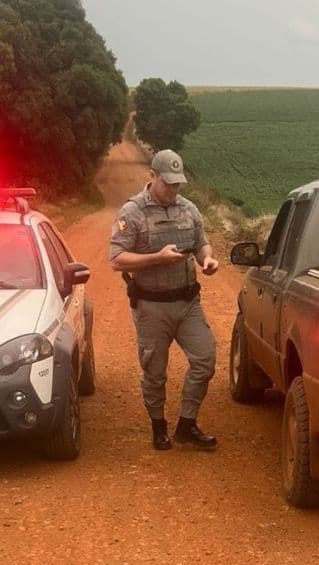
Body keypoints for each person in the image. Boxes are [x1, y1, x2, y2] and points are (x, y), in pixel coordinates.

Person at [109, 149, 220, 451]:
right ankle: (158, 426)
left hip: (187, 302)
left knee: (205, 360)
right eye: (168, 183)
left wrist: (207, 260)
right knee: (155, 372)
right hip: (152, 305)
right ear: (153, 176)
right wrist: (156, 258)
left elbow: (201, 243)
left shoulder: (189, 209)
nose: (173, 189)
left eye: (177, 184)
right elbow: (117, 259)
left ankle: (187, 424)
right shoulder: (132, 212)